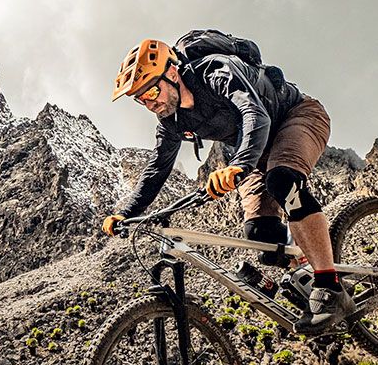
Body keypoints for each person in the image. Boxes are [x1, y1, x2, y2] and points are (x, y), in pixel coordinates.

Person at [102, 37, 353, 334]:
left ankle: (330, 286)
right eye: (140, 99)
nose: (150, 103)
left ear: (171, 73)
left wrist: (239, 165)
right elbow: (157, 168)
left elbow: (255, 115)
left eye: (152, 91)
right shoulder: (170, 120)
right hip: (256, 150)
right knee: (260, 234)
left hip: (297, 116)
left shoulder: (216, 72)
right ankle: (303, 267)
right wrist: (126, 212)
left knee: (283, 181)